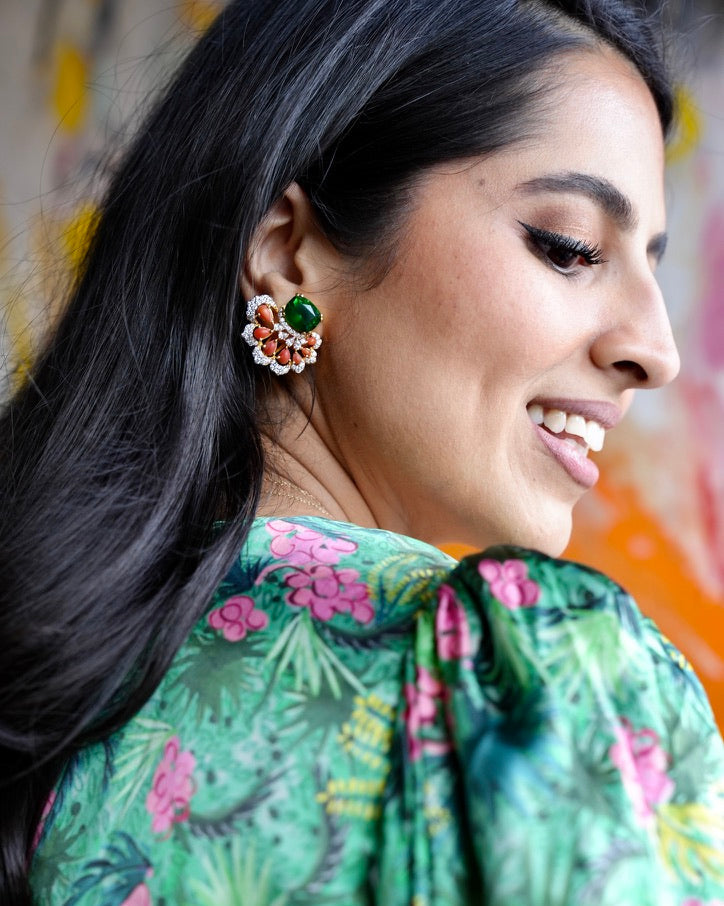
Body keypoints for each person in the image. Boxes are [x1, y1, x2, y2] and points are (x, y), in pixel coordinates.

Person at [1, 0, 723, 903]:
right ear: (290, 252)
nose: (654, 349)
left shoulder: (48, 698)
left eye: (651, 262)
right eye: (571, 247)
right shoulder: (546, 691)